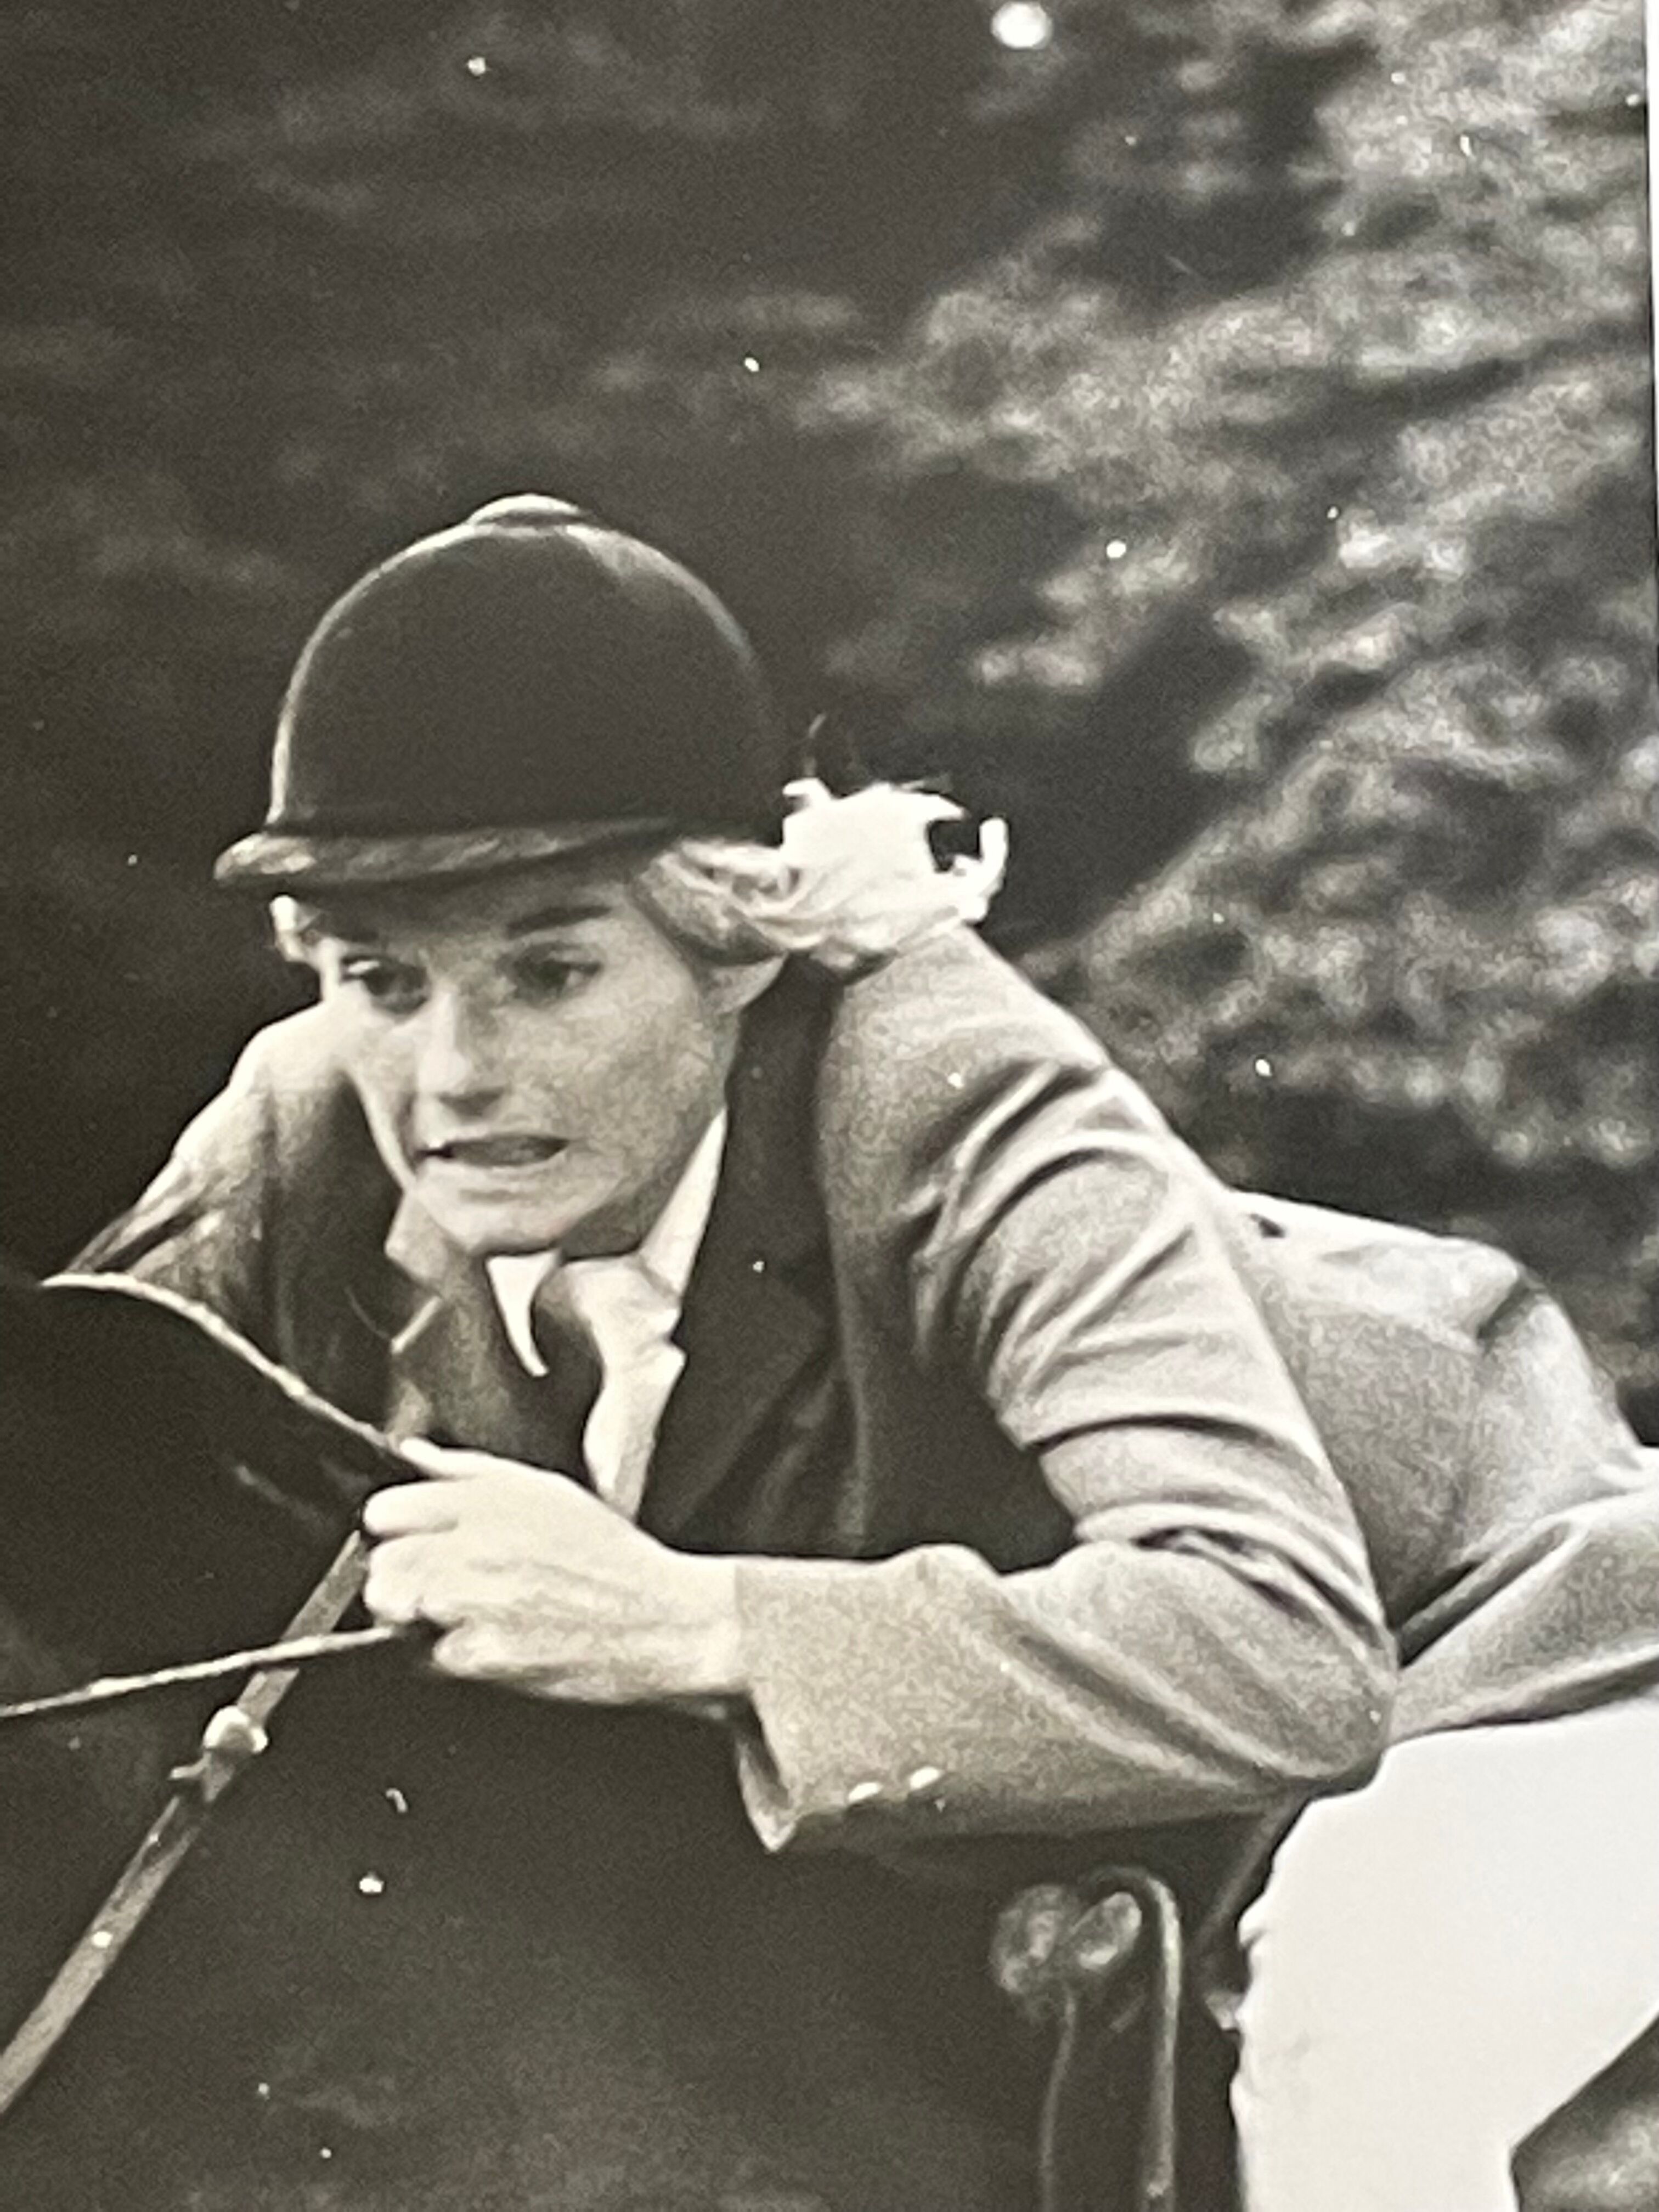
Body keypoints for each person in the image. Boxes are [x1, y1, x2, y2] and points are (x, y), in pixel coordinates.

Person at [25, 493, 1659, 2212]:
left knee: (1359, 2045)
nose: (451, 1075)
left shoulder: (947, 1090)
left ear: (733, 948)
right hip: (1104, 1761)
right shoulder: (309, 1124)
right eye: (380, 979)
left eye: (551, 971)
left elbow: (1286, 1660)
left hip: (1489, 1660)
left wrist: (691, 1623)